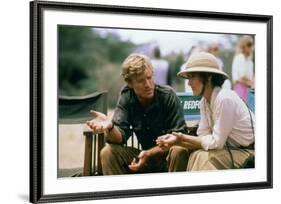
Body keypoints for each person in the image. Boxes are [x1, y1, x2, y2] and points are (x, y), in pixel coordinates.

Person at [86, 53, 189, 175]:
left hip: (167, 158)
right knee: (107, 152)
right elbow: (119, 138)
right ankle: (118, 193)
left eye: (149, 77)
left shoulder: (167, 96)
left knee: (179, 150)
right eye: (141, 81)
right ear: (130, 83)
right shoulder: (127, 96)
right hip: (143, 157)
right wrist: (110, 127)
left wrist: (149, 153)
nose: (148, 85)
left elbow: (180, 139)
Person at [156, 52, 255, 171]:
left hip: (251, 153)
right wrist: (178, 141)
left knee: (203, 158)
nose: (188, 83)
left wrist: (181, 138)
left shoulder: (225, 98)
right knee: (180, 151)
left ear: (208, 77)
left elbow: (215, 143)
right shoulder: (204, 102)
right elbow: (203, 136)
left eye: (192, 77)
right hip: (231, 149)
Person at [232, 35, 254, 101]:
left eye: (251, 44)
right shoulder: (240, 57)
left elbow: (250, 77)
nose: (251, 47)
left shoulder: (250, 61)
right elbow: (242, 77)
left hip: (248, 90)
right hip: (240, 89)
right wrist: (252, 84)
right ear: (243, 46)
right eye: (249, 44)